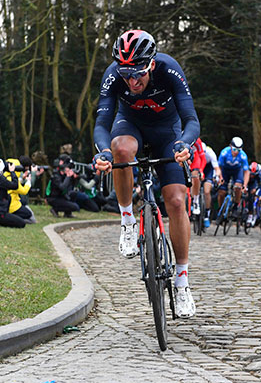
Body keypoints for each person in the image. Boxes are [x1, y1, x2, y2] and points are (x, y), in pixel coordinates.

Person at [93, 29, 200, 318]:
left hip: (169, 134)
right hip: (131, 127)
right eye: (126, 73)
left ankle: (182, 283)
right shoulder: (113, 76)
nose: (132, 80)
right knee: (121, 150)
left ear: (151, 64)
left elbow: (191, 119)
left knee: (177, 201)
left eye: (138, 73)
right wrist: (103, 152)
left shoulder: (169, 70)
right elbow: (102, 122)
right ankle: (128, 222)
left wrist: (184, 144)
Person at [216, 137, 250, 216]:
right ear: (230, 146)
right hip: (225, 170)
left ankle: (235, 206)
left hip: (237, 171)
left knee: (238, 187)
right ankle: (220, 209)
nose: (236, 152)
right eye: (234, 150)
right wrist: (220, 177)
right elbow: (219, 167)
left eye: (239, 150)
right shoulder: (224, 153)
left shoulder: (243, 156)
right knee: (221, 192)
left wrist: (244, 185)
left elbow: (246, 172)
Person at [4, 157, 38, 224]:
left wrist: (22, 178)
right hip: (13, 206)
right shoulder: (12, 179)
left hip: (6, 204)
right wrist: (28, 181)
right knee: (29, 215)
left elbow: (16, 184)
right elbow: (24, 191)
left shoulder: (5, 176)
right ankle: (11, 218)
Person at [201, 140, 222, 228]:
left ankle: (206, 214)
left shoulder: (210, 152)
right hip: (197, 166)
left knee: (206, 191)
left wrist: (217, 176)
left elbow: (217, 168)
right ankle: (194, 203)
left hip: (208, 168)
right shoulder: (193, 152)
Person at [189, 138, 206, 216]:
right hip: (184, 159)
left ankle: (196, 201)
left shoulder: (197, 140)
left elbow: (203, 157)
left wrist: (201, 170)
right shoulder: (180, 137)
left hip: (195, 159)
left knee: (195, 176)